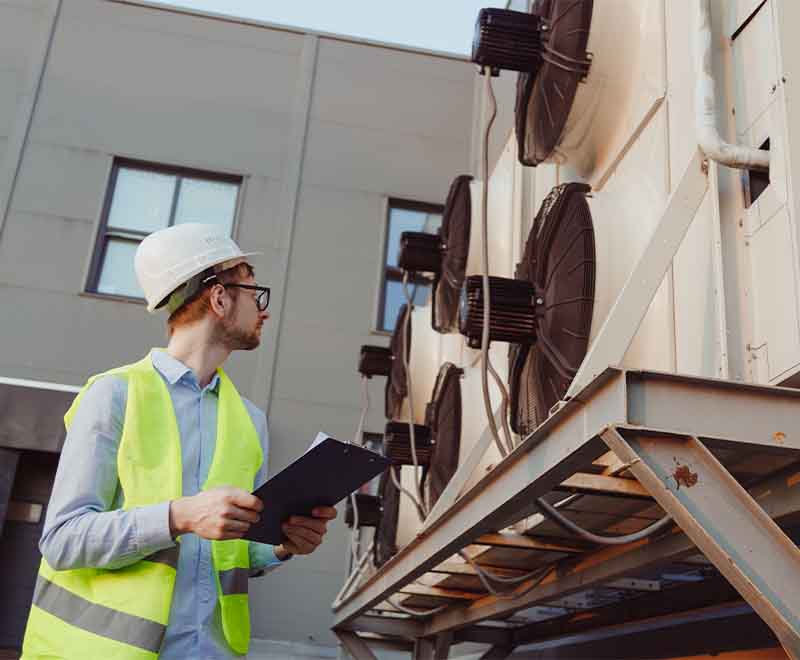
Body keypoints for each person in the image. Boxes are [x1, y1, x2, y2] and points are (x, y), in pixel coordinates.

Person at [21, 223, 337, 659]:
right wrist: (178, 516)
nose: (264, 310)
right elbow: (63, 540)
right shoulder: (114, 394)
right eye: (253, 291)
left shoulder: (249, 419)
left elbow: (230, 554)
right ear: (220, 298)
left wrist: (283, 545)